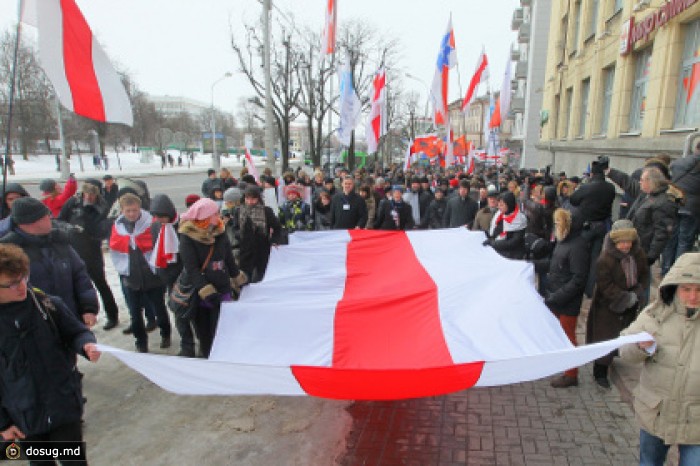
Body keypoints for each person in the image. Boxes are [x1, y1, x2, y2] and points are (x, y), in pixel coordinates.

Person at [0, 244, 100, 462]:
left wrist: (86, 345)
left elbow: (76, 333)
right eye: (12, 284)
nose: (21, 287)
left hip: (63, 406)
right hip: (26, 419)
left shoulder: (47, 305)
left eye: (23, 278)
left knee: (73, 460)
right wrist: (4, 423)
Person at [620, 252, 700, 466]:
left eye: (699, 290)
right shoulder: (656, 314)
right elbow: (624, 350)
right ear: (675, 287)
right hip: (656, 412)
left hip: (696, 420)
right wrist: (640, 347)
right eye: (686, 289)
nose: (693, 297)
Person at [0, 198, 99, 328]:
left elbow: (80, 276)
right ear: (31, 222)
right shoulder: (9, 252)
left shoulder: (60, 242)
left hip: (71, 320)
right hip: (34, 327)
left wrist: (88, 308)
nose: (51, 218)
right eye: (46, 216)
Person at [178, 198, 247, 357]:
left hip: (222, 288)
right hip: (201, 293)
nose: (218, 217)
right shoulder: (188, 236)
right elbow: (191, 268)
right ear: (203, 217)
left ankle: (224, 356)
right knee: (204, 333)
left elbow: (228, 258)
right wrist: (206, 290)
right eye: (214, 214)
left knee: (223, 328)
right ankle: (209, 357)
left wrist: (237, 278)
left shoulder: (219, 231)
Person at [585, 219, 649, 389]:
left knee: (621, 335)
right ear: (615, 241)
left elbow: (643, 274)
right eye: (622, 242)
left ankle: (613, 357)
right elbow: (605, 285)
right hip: (607, 305)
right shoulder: (605, 259)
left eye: (628, 241)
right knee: (605, 337)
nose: (625, 245)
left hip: (629, 302)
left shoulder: (639, 254)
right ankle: (600, 371)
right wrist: (624, 298)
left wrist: (637, 292)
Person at [109, 193, 172, 353]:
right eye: (128, 211)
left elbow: (160, 247)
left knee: (159, 309)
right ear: (122, 210)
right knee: (135, 315)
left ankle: (166, 333)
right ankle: (141, 342)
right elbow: (115, 249)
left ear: (140, 209)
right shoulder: (118, 227)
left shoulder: (151, 223)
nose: (131, 214)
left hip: (152, 276)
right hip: (131, 278)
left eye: (134, 210)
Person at [537, 208, 590, 388]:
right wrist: (531, 265)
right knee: (556, 333)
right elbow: (553, 264)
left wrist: (557, 297)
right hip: (556, 296)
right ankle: (558, 362)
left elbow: (578, 279)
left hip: (567, 301)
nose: (556, 225)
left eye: (559, 222)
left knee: (568, 338)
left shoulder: (578, 246)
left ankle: (571, 374)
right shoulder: (564, 241)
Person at [58, 179, 120, 330]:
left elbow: (104, 229)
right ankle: (82, 316)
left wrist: (88, 229)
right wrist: (70, 228)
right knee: (76, 286)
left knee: (101, 284)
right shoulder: (73, 203)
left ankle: (112, 316)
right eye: (87, 193)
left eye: (93, 194)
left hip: (92, 251)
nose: (89, 197)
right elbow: (59, 220)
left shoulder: (102, 206)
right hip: (73, 250)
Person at [607, 165, 679, 268]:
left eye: (642, 180)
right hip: (633, 246)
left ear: (650, 182)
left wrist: (651, 256)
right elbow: (629, 183)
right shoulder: (646, 194)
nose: (639, 182)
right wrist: (610, 172)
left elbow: (661, 233)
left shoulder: (662, 203)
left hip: (643, 251)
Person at [570, 156, 616, 297]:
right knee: (595, 258)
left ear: (592, 174)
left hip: (587, 227)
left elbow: (573, 199)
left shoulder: (587, 187)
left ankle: (579, 286)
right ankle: (590, 290)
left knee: (581, 257)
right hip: (602, 225)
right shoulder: (610, 187)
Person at [232, 186, 282, 283]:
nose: (250, 202)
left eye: (253, 199)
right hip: (245, 249)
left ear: (258, 198)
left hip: (262, 248)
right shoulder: (239, 211)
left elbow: (277, 227)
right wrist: (241, 235)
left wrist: (274, 241)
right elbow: (235, 228)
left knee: (262, 276)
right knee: (245, 277)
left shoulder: (266, 211)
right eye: (247, 199)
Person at [484, 191, 528, 260]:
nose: (499, 207)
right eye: (498, 204)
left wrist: (493, 244)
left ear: (509, 205)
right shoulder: (501, 215)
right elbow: (495, 232)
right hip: (500, 252)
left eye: (501, 205)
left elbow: (513, 242)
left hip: (513, 255)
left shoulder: (519, 219)